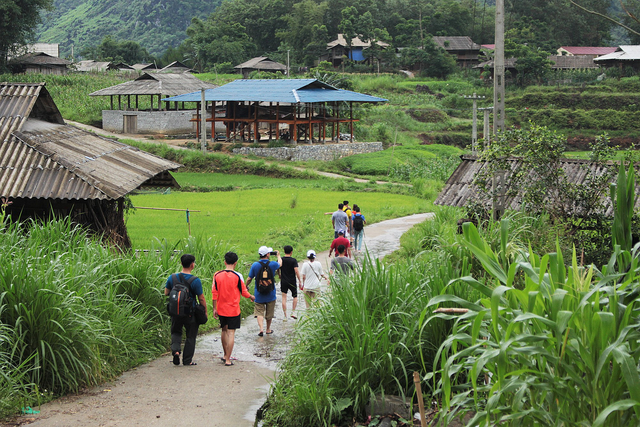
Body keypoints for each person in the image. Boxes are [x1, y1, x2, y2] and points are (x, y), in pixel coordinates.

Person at [212, 251, 255, 366]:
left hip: (221, 308)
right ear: (235, 263)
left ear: (225, 262)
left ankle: (225, 354)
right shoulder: (237, 276)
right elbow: (244, 292)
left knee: (224, 330)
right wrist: (251, 296)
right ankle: (228, 359)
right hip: (233, 309)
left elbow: (214, 292)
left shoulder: (217, 275)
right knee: (231, 333)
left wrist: (214, 308)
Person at [164, 253, 206, 366]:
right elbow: (201, 298)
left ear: (181, 263)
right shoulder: (195, 280)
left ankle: (176, 351)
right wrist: (204, 311)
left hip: (175, 312)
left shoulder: (172, 277)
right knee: (191, 336)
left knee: (176, 332)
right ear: (192, 265)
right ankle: (187, 360)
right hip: (190, 313)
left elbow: (166, 293)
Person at [246, 245, 282, 336]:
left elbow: (249, 278)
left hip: (259, 293)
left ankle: (261, 329)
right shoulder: (273, 264)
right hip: (271, 293)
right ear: (267, 254)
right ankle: (268, 329)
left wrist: (246, 286)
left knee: (259, 312)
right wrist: (278, 256)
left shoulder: (255, 265)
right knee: (269, 312)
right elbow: (280, 264)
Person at [280, 245, 302, 320]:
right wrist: (299, 280)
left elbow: (278, 268)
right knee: (295, 297)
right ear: (291, 252)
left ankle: (285, 315)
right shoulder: (293, 260)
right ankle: (293, 312)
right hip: (292, 281)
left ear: (284, 251)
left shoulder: (281, 259)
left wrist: (279, 275)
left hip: (283, 281)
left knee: (284, 297)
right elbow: (296, 271)